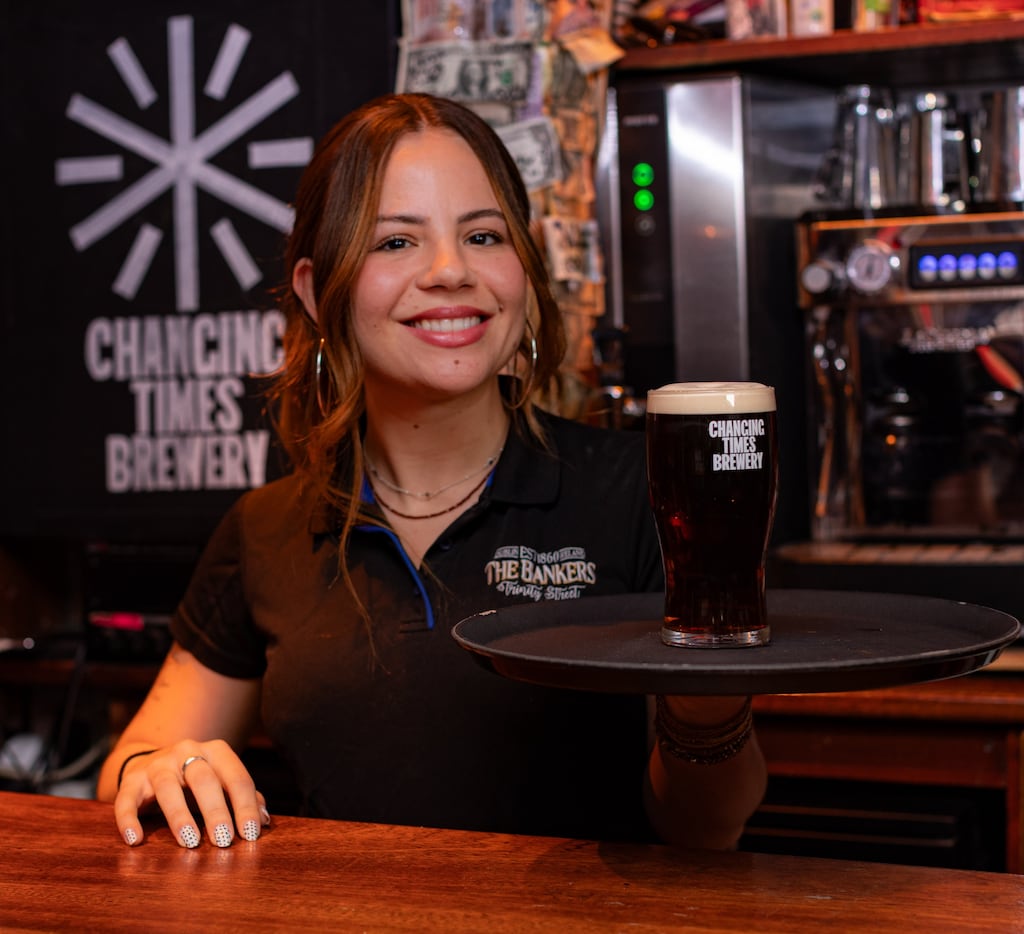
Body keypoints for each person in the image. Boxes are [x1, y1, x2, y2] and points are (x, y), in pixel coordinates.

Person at [96, 92, 766, 850]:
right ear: (320, 293)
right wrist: (163, 768)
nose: (451, 272)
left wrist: (713, 705)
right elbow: (131, 765)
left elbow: (707, 826)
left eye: (483, 235)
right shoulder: (266, 528)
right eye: (395, 243)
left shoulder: (641, 494)